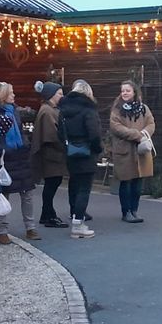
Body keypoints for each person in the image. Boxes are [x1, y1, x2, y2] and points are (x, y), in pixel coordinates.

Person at [0, 82, 40, 244]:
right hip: (4, 159)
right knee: (3, 194)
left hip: (21, 156)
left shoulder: (15, 111)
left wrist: (25, 144)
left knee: (27, 194)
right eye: (11, 93)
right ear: (1, 95)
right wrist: (1, 150)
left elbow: (22, 128)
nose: (14, 95)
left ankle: (30, 227)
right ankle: (2, 230)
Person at [58, 79, 102, 239]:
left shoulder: (63, 110)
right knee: (84, 189)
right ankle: (78, 224)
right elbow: (94, 133)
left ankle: (74, 216)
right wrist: (97, 149)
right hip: (87, 153)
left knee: (74, 185)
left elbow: (60, 133)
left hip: (71, 153)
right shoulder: (88, 109)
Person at [109, 79, 156, 223]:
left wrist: (144, 134)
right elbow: (116, 127)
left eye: (127, 90)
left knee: (137, 183)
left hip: (140, 151)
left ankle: (134, 210)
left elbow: (151, 123)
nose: (124, 93)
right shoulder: (117, 109)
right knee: (126, 182)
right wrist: (137, 135)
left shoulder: (143, 108)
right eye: (123, 91)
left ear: (134, 92)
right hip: (124, 151)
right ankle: (126, 212)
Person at [30, 80, 68, 228]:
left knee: (53, 184)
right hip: (51, 155)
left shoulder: (52, 109)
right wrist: (64, 145)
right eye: (59, 93)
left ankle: (48, 213)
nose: (61, 96)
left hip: (53, 154)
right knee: (51, 184)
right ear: (51, 95)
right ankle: (48, 215)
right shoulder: (47, 111)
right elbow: (51, 134)